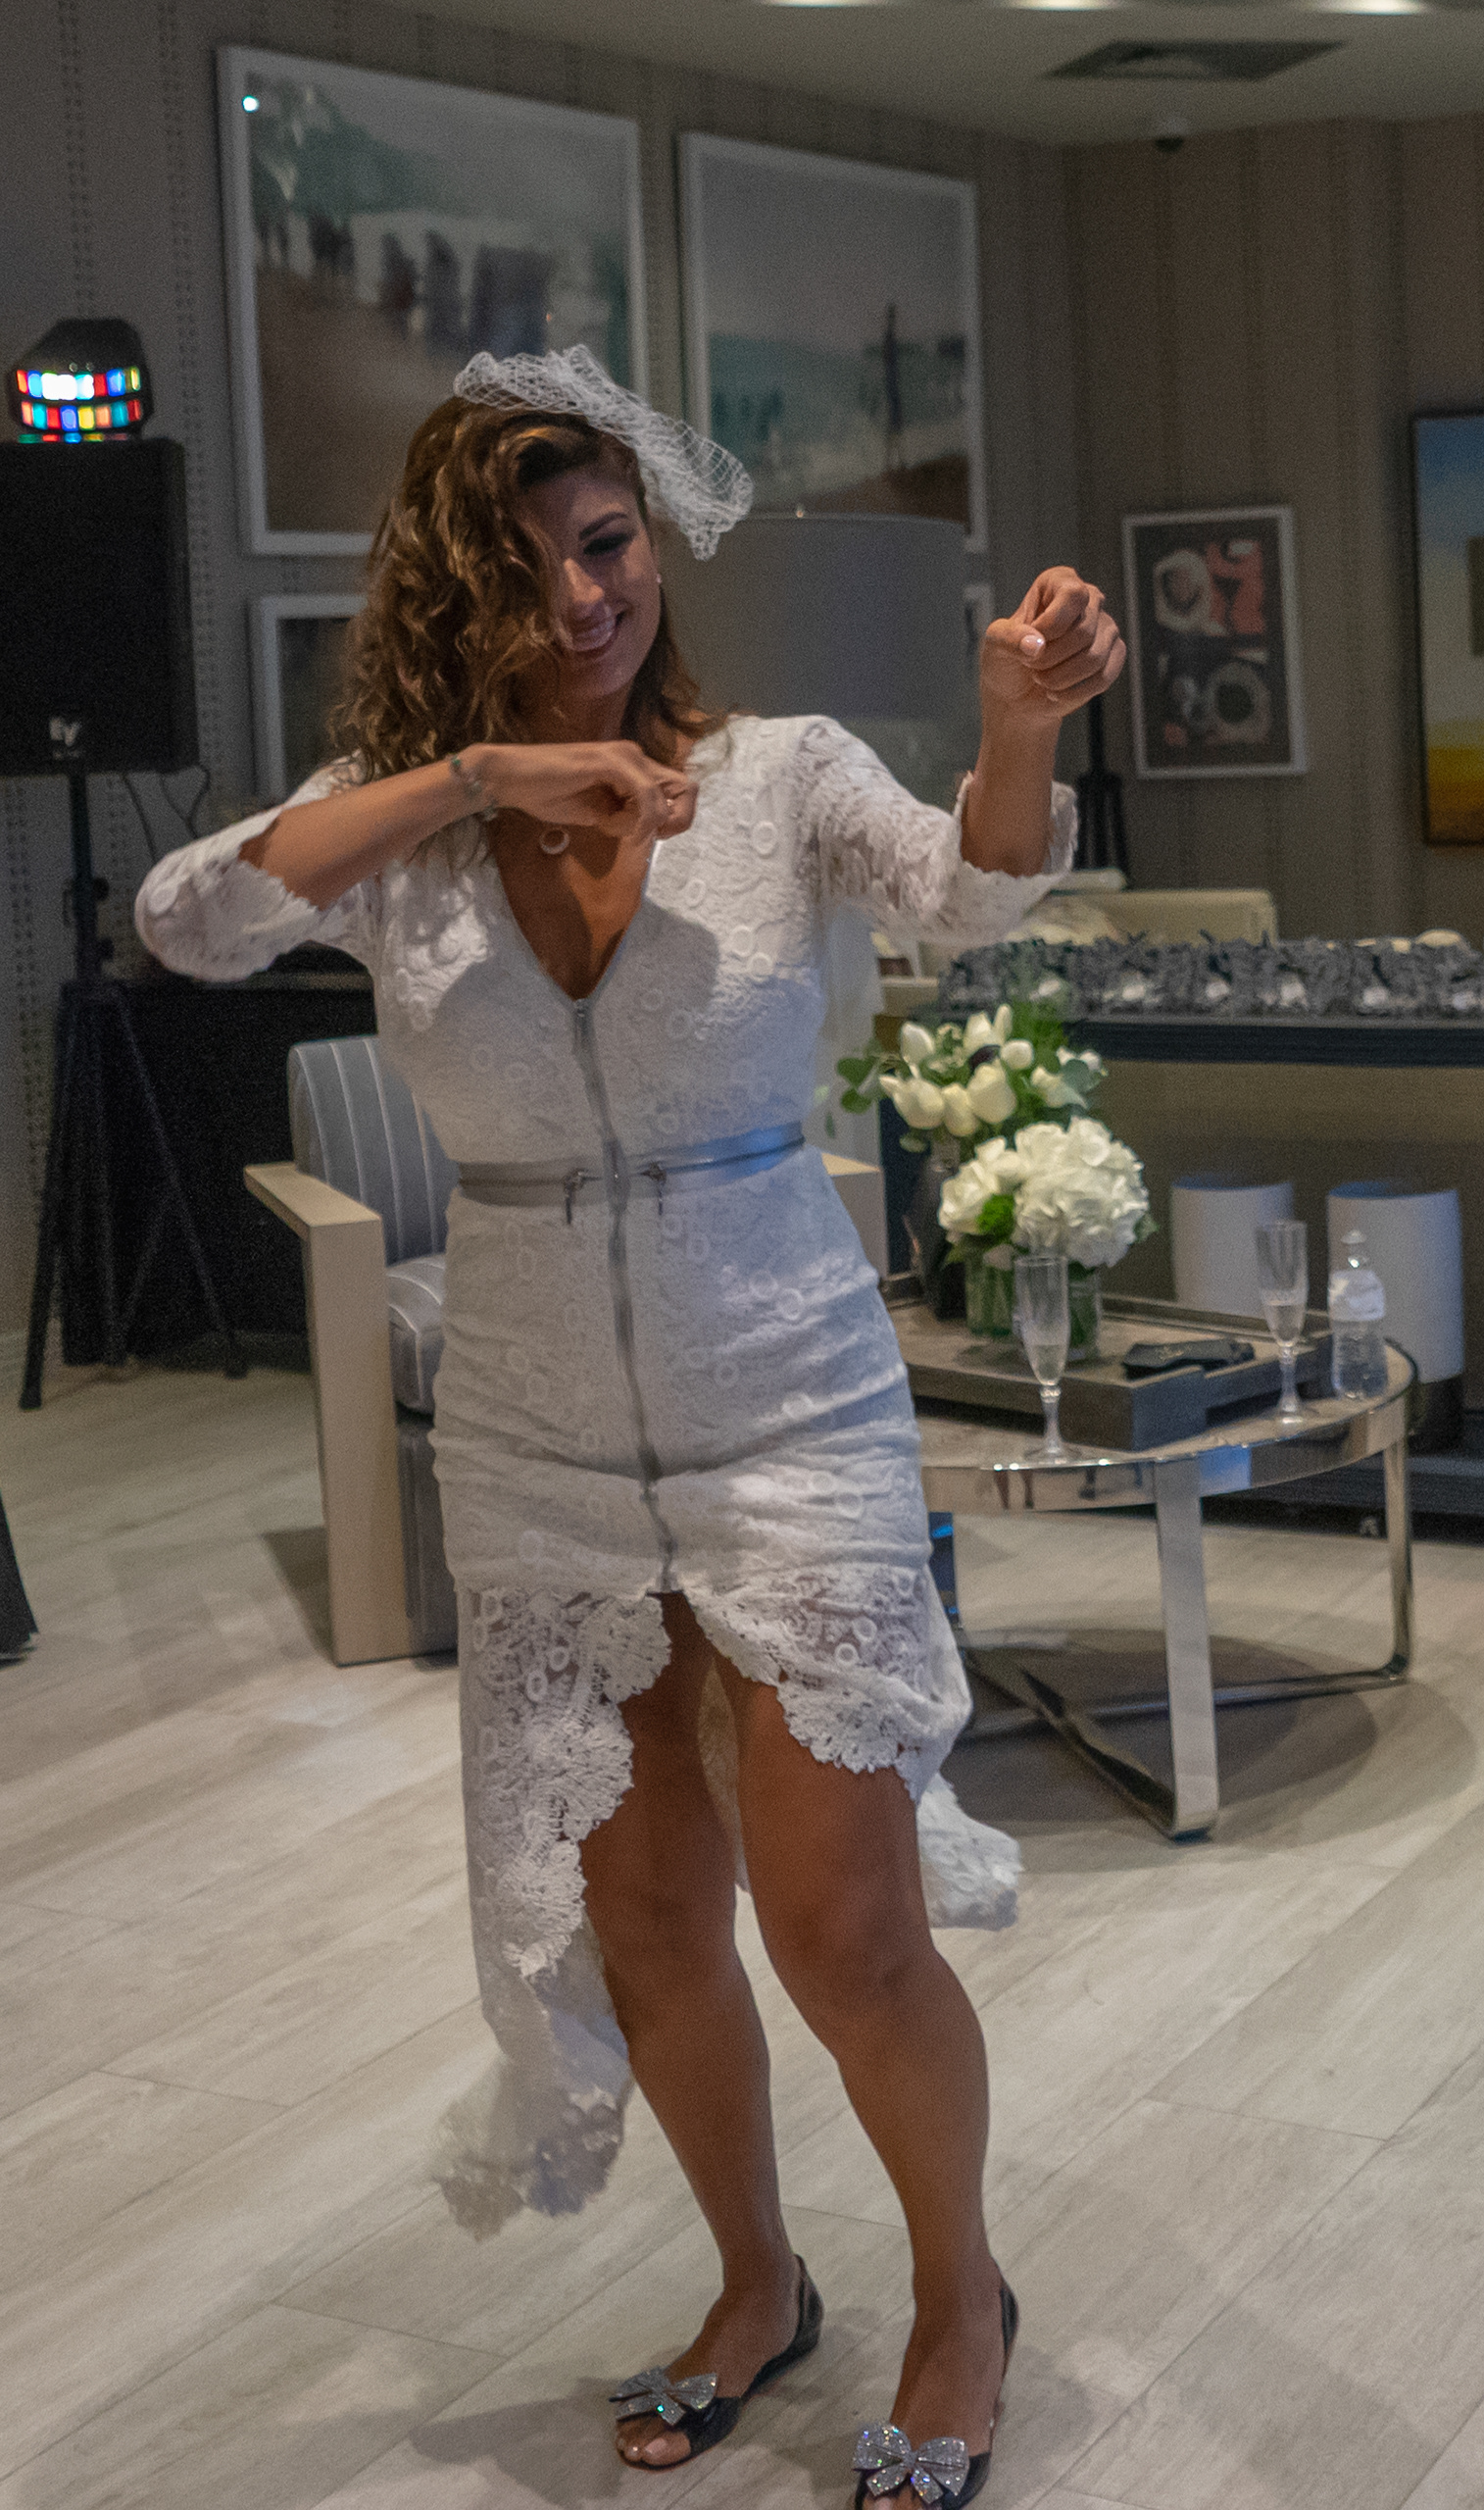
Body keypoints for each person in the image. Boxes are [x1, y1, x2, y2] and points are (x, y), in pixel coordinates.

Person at [139, 349, 1125, 2510]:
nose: (586, 597)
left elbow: (975, 883)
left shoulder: (774, 779)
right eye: (528, 569)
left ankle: (960, 2299)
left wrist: (1019, 727)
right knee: (655, 1928)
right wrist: (471, 774)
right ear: (455, 597)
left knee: (845, 1926)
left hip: (790, 1403)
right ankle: (758, 2282)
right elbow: (186, 915)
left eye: (608, 546)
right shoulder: (404, 838)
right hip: (535, 1445)